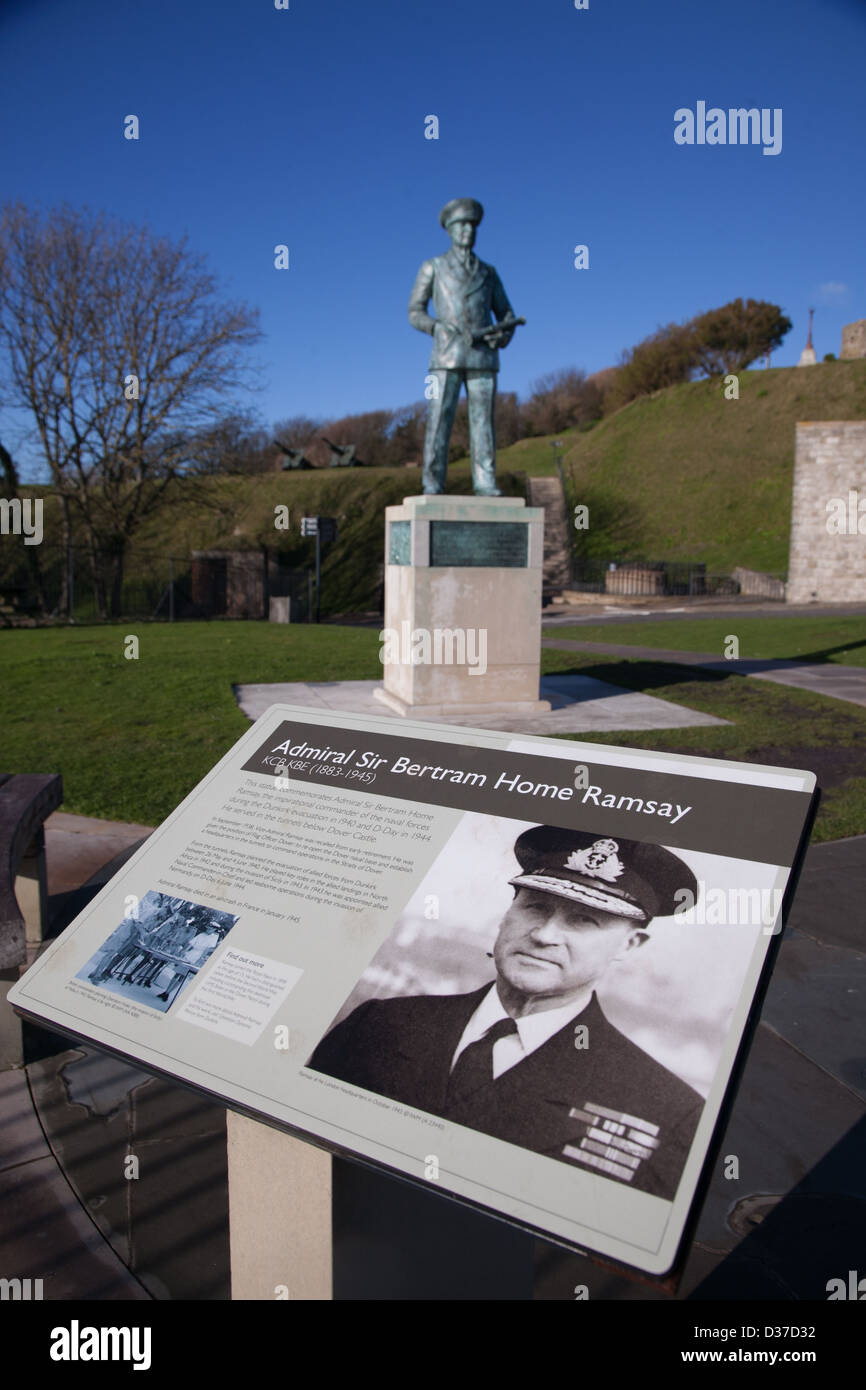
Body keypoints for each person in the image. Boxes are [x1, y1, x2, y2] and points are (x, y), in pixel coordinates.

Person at [308, 827, 705, 1200]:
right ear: (508, 912)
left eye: (584, 920)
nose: (545, 935)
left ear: (630, 945)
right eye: (536, 907)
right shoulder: (383, 1023)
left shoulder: (668, 1112)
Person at [408, 197, 519, 497]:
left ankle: (485, 481)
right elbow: (414, 312)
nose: (468, 231)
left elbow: (506, 315)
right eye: (461, 225)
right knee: (438, 419)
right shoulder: (433, 267)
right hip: (445, 356)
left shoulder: (488, 273)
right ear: (450, 230)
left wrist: (503, 336)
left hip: (483, 355)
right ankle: (432, 482)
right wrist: (435, 327)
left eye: (472, 226)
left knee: (483, 423)